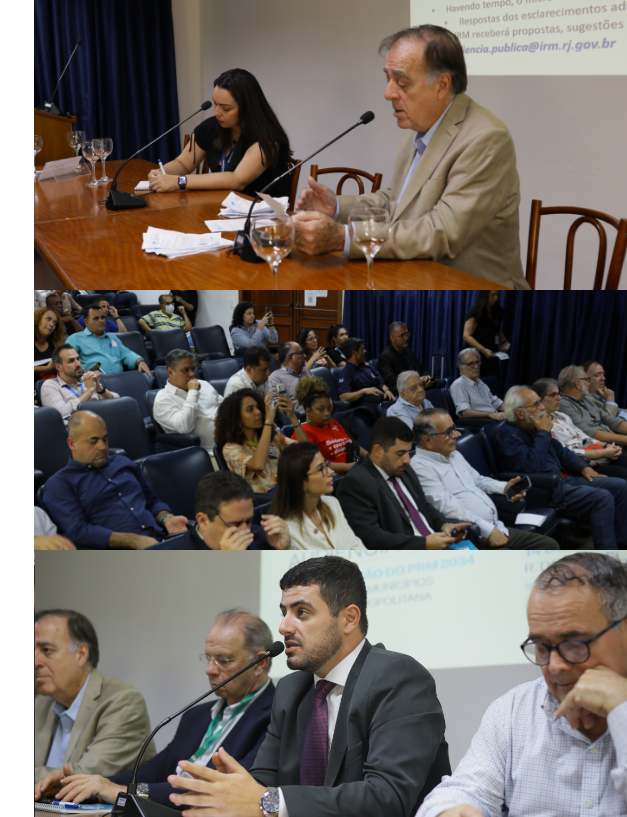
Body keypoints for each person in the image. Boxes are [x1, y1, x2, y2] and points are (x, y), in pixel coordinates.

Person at [165, 556, 452, 816]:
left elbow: (387, 797)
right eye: (284, 612)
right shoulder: (291, 689)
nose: (283, 627)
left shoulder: (398, 678)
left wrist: (269, 801)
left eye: (301, 612)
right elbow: (262, 782)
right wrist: (228, 790)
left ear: (349, 619)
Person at [292, 26, 529, 290]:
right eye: (388, 79)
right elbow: (396, 201)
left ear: (442, 86)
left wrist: (343, 237)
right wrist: (335, 207)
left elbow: (442, 232)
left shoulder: (486, 139)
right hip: (413, 274)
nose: (388, 93)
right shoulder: (418, 124)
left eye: (402, 83)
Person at [417, 552, 627, 817]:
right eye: (541, 647)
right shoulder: (512, 711)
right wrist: (452, 811)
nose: (555, 666)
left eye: (575, 644)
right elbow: (464, 790)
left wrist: (623, 709)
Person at [45, 611, 278, 808]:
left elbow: (212, 792)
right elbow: (155, 771)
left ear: (260, 663)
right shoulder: (196, 715)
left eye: (223, 660)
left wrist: (121, 791)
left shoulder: (274, 717)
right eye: (208, 658)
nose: (209, 669)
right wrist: (89, 783)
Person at [495, 386, 627, 550]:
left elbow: (561, 451)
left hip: (566, 479)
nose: (542, 407)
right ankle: (607, 556)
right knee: (602, 497)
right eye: (536, 404)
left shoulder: (532, 427)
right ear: (520, 413)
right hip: (549, 490)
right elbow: (531, 466)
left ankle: (621, 544)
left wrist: (583, 468)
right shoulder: (509, 436)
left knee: (621, 486)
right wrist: (543, 432)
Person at [34, 610, 155, 786]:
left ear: (81, 654)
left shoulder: (124, 702)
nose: (35, 661)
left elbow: (82, 777)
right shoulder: (41, 703)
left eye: (46, 650)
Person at [411, 409, 559, 550]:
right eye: (448, 432)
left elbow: (478, 480)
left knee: (549, 546)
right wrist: (488, 531)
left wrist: (504, 487)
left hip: (496, 526)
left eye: (454, 429)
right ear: (428, 440)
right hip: (473, 536)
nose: (456, 434)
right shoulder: (420, 467)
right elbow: (447, 508)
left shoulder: (452, 452)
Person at [41, 412, 188, 549]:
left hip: (161, 541)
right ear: (72, 443)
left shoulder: (123, 463)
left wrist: (167, 519)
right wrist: (135, 541)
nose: (103, 446)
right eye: (93, 441)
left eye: (105, 439)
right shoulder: (59, 485)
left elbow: (151, 502)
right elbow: (78, 531)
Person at [147, 68, 292, 198]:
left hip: (262, 216)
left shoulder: (267, 138)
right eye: (215, 104)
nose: (216, 113)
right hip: (222, 208)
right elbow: (183, 164)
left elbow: (237, 180)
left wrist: (179, 181)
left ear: (247, 108)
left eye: (226, 109)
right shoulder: (211, 127)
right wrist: (161, 173)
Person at [336, 416, 471, 550]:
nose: (407, 459)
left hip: (437, 545)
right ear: (378, 451)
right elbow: (371, 538)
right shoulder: (355, 484)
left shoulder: (403, 468)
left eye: (407, 452)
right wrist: (423, 544)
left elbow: (423, 505)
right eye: (400, 453)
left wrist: (444, 526)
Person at [155, 472, 290, 551]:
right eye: (235, 524)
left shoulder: (262, 536)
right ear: (203, 521)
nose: (246, 531)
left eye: (248, 521)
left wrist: (285, 551)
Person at [270, 443, 366, 550]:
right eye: (321, 469)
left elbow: (358, 548)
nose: (331, 472)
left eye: (326, 465)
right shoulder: (286, 530)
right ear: (301, 482)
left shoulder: (331, 503)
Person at [215, 388, 308, 493]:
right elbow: (258, 464)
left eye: (258, 407)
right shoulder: (230, 448)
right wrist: (268, 421)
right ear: (237, 419)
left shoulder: (271, 436)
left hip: (288, 489)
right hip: (264, 501)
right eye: (250, 410)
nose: (258, 412)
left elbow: (306, 451)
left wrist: (293, 417)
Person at [532, 378, 627, 479]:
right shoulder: (542, 425)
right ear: (539, 399)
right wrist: (604, 452)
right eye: (553, 395)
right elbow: (567, 453)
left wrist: (608, 446)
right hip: (581, 465)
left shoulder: (562, 416)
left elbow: (586, 438)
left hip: (597, 455)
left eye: (558, 394)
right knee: (623, 474)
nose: (559, 398)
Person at [291, 377, 367, 474]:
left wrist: (371, 459)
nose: (327, 413)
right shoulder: (303, 433)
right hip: (334, 480)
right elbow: (314, 464)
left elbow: (353, 447)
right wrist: (349, 467)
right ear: (308, 411)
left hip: (356, 472)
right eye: (321, 409)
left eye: (329, 408)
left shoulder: (335, 423)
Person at [153, 349, 223, 452]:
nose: (192, 374)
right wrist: (193, 393)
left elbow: (226, 408)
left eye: (193, 369)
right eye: (185, 370)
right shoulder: (163, 400)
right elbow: (184, 427)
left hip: (235, 445)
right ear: (170, 372)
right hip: (207, 454)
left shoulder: (204, 384)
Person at [67, 305, 153, 379]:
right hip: (94, 381)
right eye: (96, 318)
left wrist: (140, 361)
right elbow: (67, 363)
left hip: (120, 378)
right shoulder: (75, 338)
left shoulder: (112, 338)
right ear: (86, 322)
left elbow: (126, 353)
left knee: (148, 378)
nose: (101, 321)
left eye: (103, 317)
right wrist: (85, 373)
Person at [41, 345, 119, 424]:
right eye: (71, 361)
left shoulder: (87, 379)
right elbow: (60, 413)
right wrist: (90, 390)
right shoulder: (50, 385)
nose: (78, 364)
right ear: (58, 367)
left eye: (78, 359)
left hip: (103, 422)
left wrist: (101, 390)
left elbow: (117, 402)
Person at [557, 365, 627, 450]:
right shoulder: (563, 405)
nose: (589, 383)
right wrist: (624, 440)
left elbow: (609, 419)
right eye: (586, 380)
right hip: (602, 449)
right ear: (577, 384)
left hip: (616, 444)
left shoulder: (586, 400)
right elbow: (587, 431)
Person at [462, 290, 510, 380]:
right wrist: (484, 350)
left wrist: (504, 341)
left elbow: (496, 328)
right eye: (492, 295)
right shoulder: (475, 311)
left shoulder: (498, 311)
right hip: (474, 354)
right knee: (470, 384)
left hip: (490, 355)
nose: (496, 298)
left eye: (497, 295)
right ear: (484, 295)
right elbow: (466, 336)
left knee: (493, 381)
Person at [377, 321, 437, 391]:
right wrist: (417, 381)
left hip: (421, 386)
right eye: (402, 335)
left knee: (440, 384)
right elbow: (391, 381)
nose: (406, 338)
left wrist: (427, 378)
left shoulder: (408, 351)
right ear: (392, 338)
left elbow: (423, 369)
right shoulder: (385, 356)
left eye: (407, 334)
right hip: (407, 391)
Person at [337, 337, 396, 407]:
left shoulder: (369, 368)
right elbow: (343, 397)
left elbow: (382, 384)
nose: (365, 351)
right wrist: (364, 391)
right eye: (362, 349)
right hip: (366, 406)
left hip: (382, 400)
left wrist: (387, 391)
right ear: (354, 353)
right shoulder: (346, 373)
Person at [449, 348, 505, 421]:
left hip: (495, 418)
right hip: (482, 423)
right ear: (462, 368)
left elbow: (495, 402)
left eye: (477, 362)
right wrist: (490, 414)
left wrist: (512, 409)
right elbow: (465, 413)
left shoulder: (481, 383)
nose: (476, 366)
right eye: (471, 364)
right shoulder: (458, 385)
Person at [268, 341, 313, 412]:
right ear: (291, 357)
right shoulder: (276, 378)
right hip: (300, 419)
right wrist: (304, 415)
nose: (305, 356)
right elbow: (280, 408)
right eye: (301, 353)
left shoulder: (305, 370)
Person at [35, 306, 65, 382]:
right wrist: (48, 368)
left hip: (54, 384)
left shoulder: (56, 342)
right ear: (37, 319)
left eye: (55, 323)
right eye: (48, 319)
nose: (51, 324)